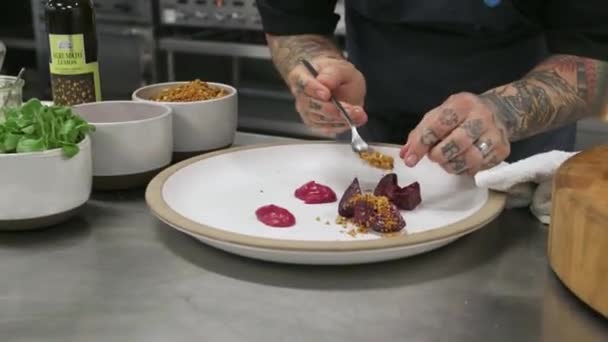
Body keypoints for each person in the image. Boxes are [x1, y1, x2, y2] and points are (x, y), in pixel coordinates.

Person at [255, 0, 608, 175]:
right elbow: (293, 23)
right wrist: (318, 73)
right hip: (370, 131)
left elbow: (592, 57)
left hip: (519, 146)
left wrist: (503, 112)